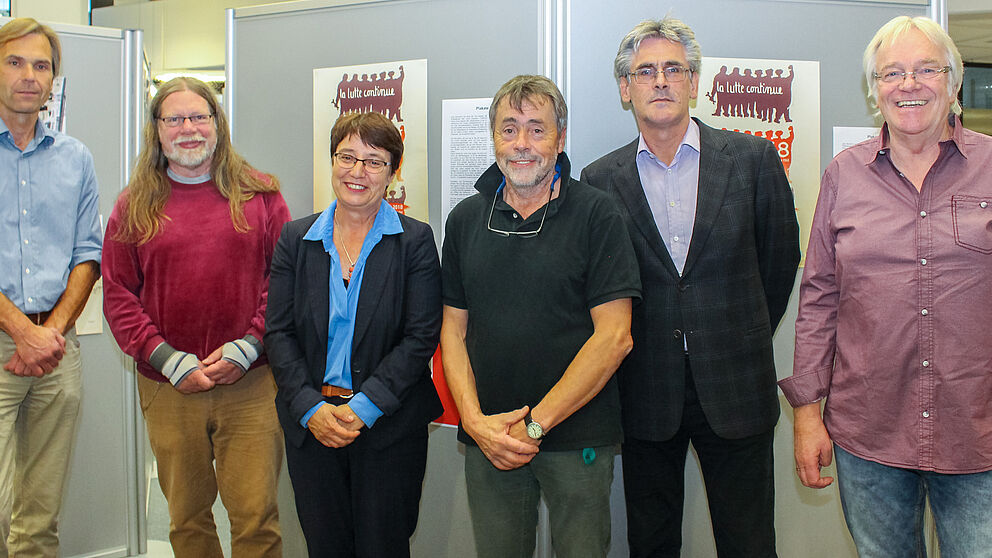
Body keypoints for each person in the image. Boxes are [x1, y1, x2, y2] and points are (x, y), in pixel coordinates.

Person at [581, 18, 800, 558]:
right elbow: (603, 286)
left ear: (694, 82)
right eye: (644, 72)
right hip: (645, 390)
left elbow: (779, 263)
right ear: (625, 87)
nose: (660, 81)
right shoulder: (600, 180)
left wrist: (739, 332)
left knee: (749, 544)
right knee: (652, 544)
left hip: (736, 385)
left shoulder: (753, 161)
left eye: (673, 69)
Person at [780, 16, 992, 557]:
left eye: (926, 69)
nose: (909, 84)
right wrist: (807, 414)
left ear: (954, 82)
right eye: (892, 73)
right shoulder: (843, 175)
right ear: (875, 90)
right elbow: (819, 299)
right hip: (869, 435)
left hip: (979, 435)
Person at [440, 74, 641, 558]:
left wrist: (535, 426)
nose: (522, 144)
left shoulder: (598, 214)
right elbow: (452, 330)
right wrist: (475, 422)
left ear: (560, 138)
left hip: (576, 436)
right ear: (494, 138)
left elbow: (615, 337)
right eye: (509, 129)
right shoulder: (465, 219)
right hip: (490, 438)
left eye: (537, 129)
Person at [101, 77, 289, 558]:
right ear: (157, 130)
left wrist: (249, 346)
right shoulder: (132, 206)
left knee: (257, 519)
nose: (188, 128)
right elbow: (119, 296)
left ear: (217, 123)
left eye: (199, 116)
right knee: (187, 520)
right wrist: (167, 359)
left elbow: (285, 284)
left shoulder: (261, 195)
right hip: (169, 387)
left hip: (251, 382)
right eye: (175, 118)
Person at [265, 111, 442, 557]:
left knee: (384, 546)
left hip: (388, 428)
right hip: (312, 427)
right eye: (347, 157)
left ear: (393, 172)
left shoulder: (415, 242)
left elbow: (420, 337)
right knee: (326, 547)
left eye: (374, 161)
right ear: (332, 161)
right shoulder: (296, 239)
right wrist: (310, 408)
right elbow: (278, 333)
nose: (357, 171)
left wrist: (362, 408)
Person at [0, 18, 101, 557]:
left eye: (41, 66)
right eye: (15, 62)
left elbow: (89, 254)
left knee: (40, 516)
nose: (29, 76)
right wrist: (22, 331)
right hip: (5, 343)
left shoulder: (75, 158)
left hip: (58, 350)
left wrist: (50, 333)